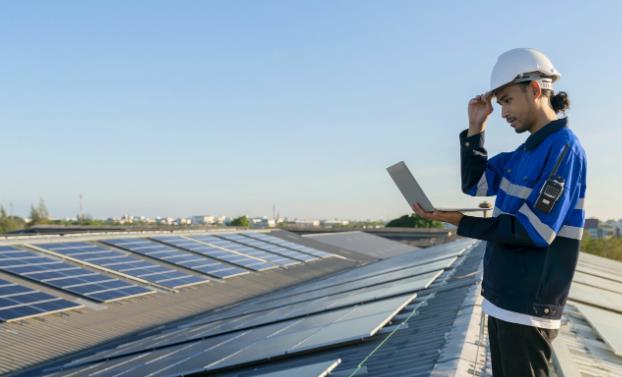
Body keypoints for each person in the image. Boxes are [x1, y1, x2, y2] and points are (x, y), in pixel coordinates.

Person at [412, 48, 587, 377]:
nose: (503, 111)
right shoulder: (524, 152)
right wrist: (476, 128)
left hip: (528, 307)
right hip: (504, 300)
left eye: (506, 100)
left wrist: (464, 223)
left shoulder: (564, 148)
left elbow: (535, 231)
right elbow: (475, 185)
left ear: (534, 90)